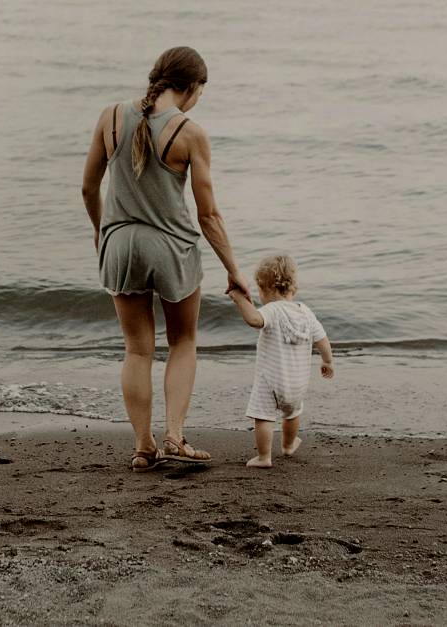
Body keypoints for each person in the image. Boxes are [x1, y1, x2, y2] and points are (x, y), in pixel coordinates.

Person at [81, 46, 252, 472]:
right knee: (183, 342)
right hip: (171, 246)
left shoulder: (110, 116)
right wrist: (234, 270)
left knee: (137, 351)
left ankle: (143, 446)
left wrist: (104, 233)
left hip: (120, 243)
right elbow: (208, 213)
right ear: (191, 87)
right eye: (200, 92)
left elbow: (88, 189)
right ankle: (175, 435)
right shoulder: (190, 133)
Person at [227, 254, 334, 468]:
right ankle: (288, 445)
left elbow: (254, 320)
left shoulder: (272, 310)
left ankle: (264, 457)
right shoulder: (306, 312)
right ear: (293, 288)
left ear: (265, 289)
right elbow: (322, 339)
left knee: (263, 417)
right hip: (297, 382)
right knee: (292, 413)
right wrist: (327, 361)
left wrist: (239, 299)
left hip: (271, 380)